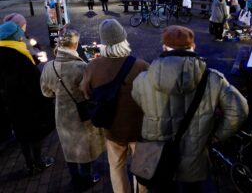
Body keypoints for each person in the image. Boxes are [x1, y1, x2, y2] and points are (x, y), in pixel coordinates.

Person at [131, 25, 248, 193]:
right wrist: (216, 136)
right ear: (193, 47)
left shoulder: (143, 79)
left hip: (157, 158)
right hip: (195, 159)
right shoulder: (212, 78)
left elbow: (139, 101)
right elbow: (239, 110)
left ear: (164, 47)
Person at [81, 19, 149, 193]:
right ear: (124, 40)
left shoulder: (93, 66)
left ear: (104, 44)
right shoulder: (140, 65)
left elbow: (87, 92)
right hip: (138, 128)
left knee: (116, 167)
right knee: (141, 169)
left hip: (112, 128)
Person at [40, 27, 104, 191]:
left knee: (69, 147)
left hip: (62, 115)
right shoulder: (82, 67)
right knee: (85, 147)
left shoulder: (49, 67)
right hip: (82, 115)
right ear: (75, 46)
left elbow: (46, 92)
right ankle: (86, 178)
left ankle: (75, 178)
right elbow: (91, 93)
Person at [0, 21, 55, 175]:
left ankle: (29, 164)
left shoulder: (4, 52)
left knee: (22, 135)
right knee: (35, 135)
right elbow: (35, 86)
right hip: (28, 105)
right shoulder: (18, 57)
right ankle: (38, 163)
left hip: (11, 106)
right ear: (14, 36)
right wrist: (47, 101)